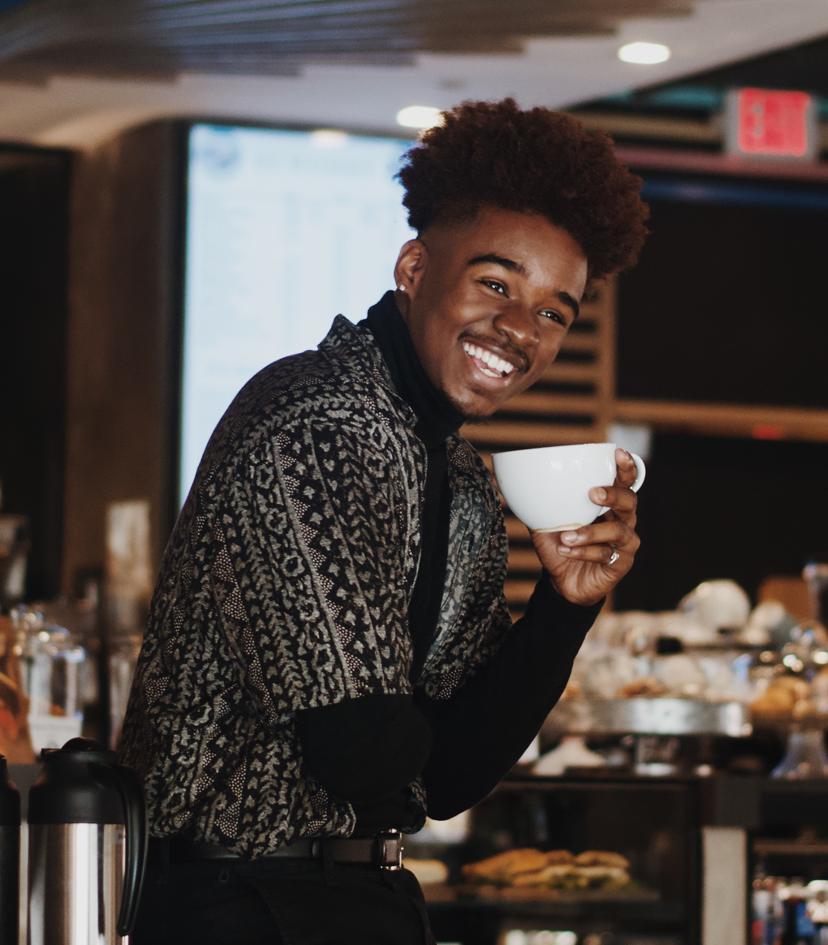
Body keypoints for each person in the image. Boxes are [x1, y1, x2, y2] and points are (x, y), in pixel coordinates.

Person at [119, 98, 649, 945]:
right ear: (412, 269)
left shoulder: (465, 479)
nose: (518, 329)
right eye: (494, 283)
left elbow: (448, 777)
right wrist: (422, 737)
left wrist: (564, 606)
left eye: (553, 311)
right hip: (234, 899)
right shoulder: (311, 419)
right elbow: (360, 745)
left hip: (354, 898)